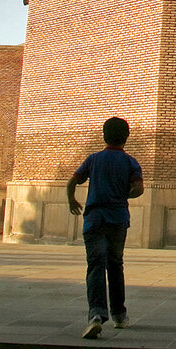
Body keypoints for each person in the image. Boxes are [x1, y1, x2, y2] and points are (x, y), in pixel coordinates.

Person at [67, 116, 144, 339]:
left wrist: (72, 200)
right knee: (115, 265)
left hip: (94, 220)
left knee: (95, 266)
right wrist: (122, 195)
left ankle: (96, 315)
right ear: (126, 138)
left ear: (104, 135)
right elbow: (138, 189)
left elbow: (73, 181)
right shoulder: (130, 162)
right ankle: (119, 315)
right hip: (118, 219)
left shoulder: (93, 159)